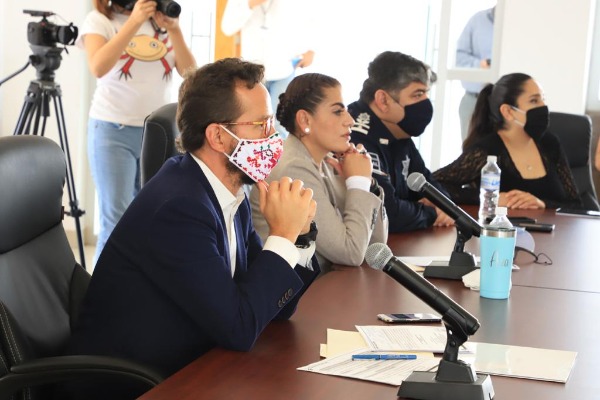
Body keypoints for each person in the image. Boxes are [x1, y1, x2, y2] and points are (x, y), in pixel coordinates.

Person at [65, 58, 320, 399]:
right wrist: (282, 235)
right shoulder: (179, 209)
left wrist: (298, 237)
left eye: (271, 123)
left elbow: (274, 307)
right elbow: (239, 328)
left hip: (194, 366)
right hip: (132, 385)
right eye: (261, 124)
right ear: (218, 136)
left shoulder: (231, 193)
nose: (273, 137)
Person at [78, 0, 196, 263]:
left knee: (155, 216)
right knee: (116, 220)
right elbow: (98, 66)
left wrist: (174, 29)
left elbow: (191, 74)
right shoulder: (100, 21)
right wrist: (134, 21)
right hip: (112, 131)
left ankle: (139, 283)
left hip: (157, 135)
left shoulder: (162, 23)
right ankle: (105, 287)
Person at [249, 73, 388, 273]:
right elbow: (351, 253)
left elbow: (376, 247)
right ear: (305, 119)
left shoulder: (327, 162)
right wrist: (358, 182)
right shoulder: (294, 168)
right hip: (294, 290)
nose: (350, 120)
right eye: (338, 111)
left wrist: (368, 184)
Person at [433, 72, 583, 210]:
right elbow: (434, 185)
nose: (543, 107)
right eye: (534, 100)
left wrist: (542, 204)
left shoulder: (550, 143)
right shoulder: (486, 150)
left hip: (554, 229)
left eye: (543, 99)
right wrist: (491, 198)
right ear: (508, 112)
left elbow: (576, 204)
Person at [348, 51, 454, 233]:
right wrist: (431, 213)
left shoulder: (398, 131)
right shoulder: (356, 137)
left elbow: (430, 188)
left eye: (426, 94)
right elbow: (386, 212)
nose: (425, 103)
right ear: (383, 100)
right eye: (417, 95)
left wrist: (441, 205)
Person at [221, 0, 315, 138]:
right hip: (252, 73)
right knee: (250, 124)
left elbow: (310, 19)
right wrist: (249, 5)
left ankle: (278, 152)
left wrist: (311, 49)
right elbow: (227, 27)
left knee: (281, 126)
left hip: (284, 70)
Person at [456, 6, 495, 141]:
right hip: (473, 100)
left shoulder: (520, 24)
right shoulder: (477, 20)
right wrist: (480, 64)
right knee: (471, 150)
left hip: (505, 102)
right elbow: (459, 58)